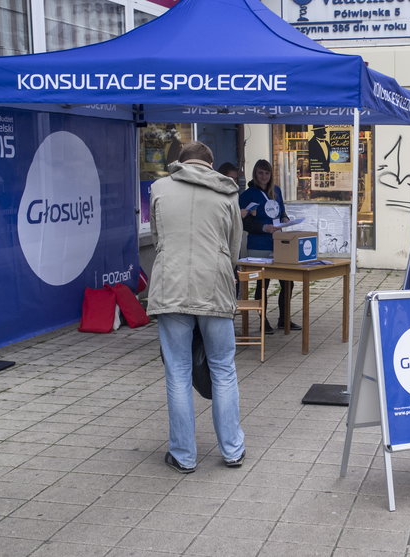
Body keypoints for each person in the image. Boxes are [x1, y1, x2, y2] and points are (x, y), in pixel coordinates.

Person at [147, 141, 246, 473]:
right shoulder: (228, 193)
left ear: (180, 161)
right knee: (223, 369)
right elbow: (234, 248)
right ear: (211, 163)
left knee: (177, 372)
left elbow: (158, 237)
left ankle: (183, 455)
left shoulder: (159, 188)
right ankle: (233, 450)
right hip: (214, 286)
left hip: (172, 286)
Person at [238, 159, 301, 334]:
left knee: (287, 281)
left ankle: (284, 319)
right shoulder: (248, 194)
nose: (264, 176)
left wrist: (285, 219)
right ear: (255, 174)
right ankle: (263, 320)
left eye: (267, 173)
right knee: (262, 284)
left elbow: (281, 212)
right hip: (259, 244)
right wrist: (263, 227)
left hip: (279, 243)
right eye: (260, 173)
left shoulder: (277, 191)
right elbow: (243, 223)